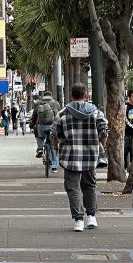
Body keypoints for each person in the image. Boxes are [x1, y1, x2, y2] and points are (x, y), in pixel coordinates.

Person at [51, 83, 108, 232]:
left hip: (70, 157)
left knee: (73, 188)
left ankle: (78, 220)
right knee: (89, 185)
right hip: (90, 155)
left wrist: (58, 148)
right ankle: (91, 216)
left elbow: (54, 134)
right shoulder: (96, 112)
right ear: (86, 95)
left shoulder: (62, 113)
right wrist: (100, 147)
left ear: (71, 95)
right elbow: (104, 132)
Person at [31, 91, 61, 170]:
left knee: (39, 135)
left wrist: (32, 125)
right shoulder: (56, 103)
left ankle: (40, 148)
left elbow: (34, 116)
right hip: (52, 126)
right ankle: (54, 166)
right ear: (51, 96)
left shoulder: (38, 103)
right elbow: (60, 115)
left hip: (41, 126)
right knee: (52, 146)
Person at [124, 89, 133, 170]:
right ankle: (124, 168)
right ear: (129, 97)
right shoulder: (125, 107)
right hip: (126, 134)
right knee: (124, 152)